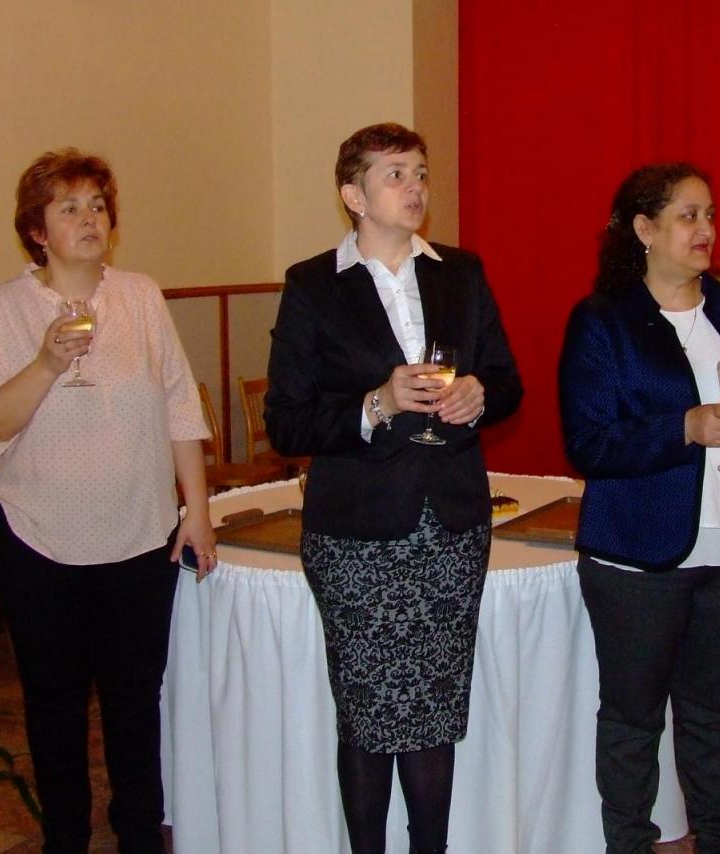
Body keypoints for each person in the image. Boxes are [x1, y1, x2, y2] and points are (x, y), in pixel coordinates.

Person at [264, 122, 522, 854]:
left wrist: (480, 394)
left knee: (434, 712)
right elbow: (285, 421)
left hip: (452, 525)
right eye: (395, 174)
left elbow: (507, 381)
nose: (415, 187)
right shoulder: (313, 285)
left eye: (421, 172)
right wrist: (374, 405)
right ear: (354, 195)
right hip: (356, 533)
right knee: (370, 716)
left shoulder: (460, 272)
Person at [0, 148, 216, 854]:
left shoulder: (141, 296)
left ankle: (139, 832)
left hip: (139, 533)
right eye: (68, 208)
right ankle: (65, 837)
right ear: (36, 230)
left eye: (97, 205)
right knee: (55, 703)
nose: (89, 218)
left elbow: (179, 404)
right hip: (37, 538)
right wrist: (47, 362)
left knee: (136, 699)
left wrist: (196, 510)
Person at [558, 163, 720, 854]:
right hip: (640, 555)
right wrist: (685, 428)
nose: (705, 230)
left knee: (709, 716)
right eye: (687, 216)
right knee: (633, 721)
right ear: (645, 229)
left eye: (708, 216)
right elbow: (589, 442)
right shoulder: (603, 320)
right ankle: (630, 845)